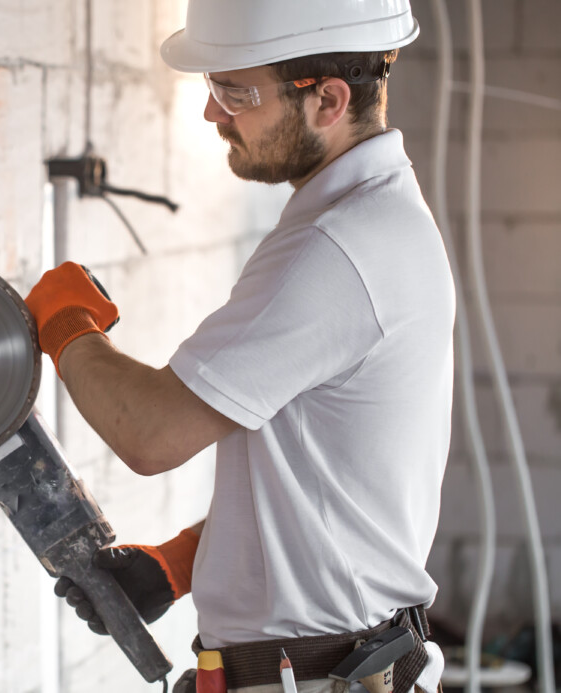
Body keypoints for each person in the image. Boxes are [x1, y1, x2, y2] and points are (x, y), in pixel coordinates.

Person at [25, 2, 453, 692]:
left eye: (234, 92)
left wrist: (66, 321)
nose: (211, 114)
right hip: (336, 664)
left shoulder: (336, 248)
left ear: (328, 100)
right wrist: (181, 561)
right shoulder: (375, 219)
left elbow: (151, 432)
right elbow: (328, 484)